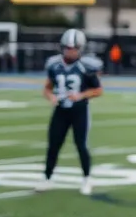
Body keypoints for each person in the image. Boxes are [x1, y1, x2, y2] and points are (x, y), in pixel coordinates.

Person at [38, 29, 103, 196]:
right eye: (67, 48)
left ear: (80, 48)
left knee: (81, 145)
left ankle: (87, 178)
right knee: (53, 145)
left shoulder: (86, 67)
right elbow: (46, 88)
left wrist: (81, 95)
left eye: (73, 48)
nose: (70, 51)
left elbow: (98, 90)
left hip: (79, 111)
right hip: (60, 110)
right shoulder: (54, 65)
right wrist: (51, 97)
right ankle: (47, 178)